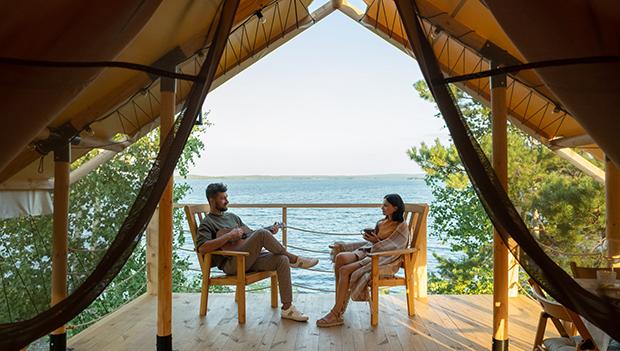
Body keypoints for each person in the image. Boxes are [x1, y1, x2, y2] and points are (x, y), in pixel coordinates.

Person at [196, 183, 319, 322]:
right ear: (212, 200)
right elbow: (202, 248)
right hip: (232, 264)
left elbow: (249, 235)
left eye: (227, 197)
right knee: (262, 234)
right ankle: (295, 259)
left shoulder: (232, 217)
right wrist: (229, 236)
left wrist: (269, 230)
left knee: (281, 260)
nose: (227, 201)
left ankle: (287, 308)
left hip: (247, 259)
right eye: (223, 198)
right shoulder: (208, 223)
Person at [316, 194, 409, 327]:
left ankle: (336, 312)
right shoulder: (381, 222)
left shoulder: (401, 226)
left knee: (344, 270)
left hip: (383, 259)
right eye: (382, 204)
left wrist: (376, 242)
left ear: (395, 207)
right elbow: (378, 242)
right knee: (340, 257)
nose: (381, 207)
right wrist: (372, 240)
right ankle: (340, 306)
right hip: (370, 250)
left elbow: (396, 246)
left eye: (385, 205)